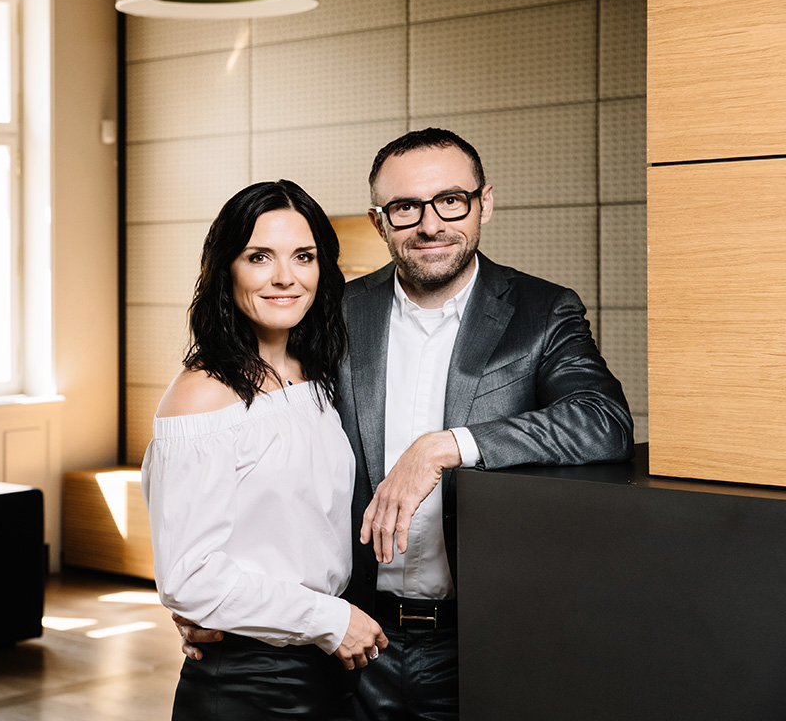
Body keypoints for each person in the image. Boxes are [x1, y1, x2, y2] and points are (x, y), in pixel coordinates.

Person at [176, 129, 634, 720]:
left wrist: (447, 447)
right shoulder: (331, 312)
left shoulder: (542, 312)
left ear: (483, 203)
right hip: (351, 640)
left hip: (481, 641)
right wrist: (209, 601)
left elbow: (603, 421)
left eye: (451, 200)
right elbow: (240, 440)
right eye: (405, 208)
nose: (430, 224)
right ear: (379, 220)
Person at [142, 180, 389, 721]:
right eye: (259, 257)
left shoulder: (318, 375)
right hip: (249, 684)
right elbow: (190, 578)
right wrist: (329, 618)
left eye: (304, 256)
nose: (285, 277)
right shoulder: (203, 394)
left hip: (329, 668)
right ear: (225, 268)